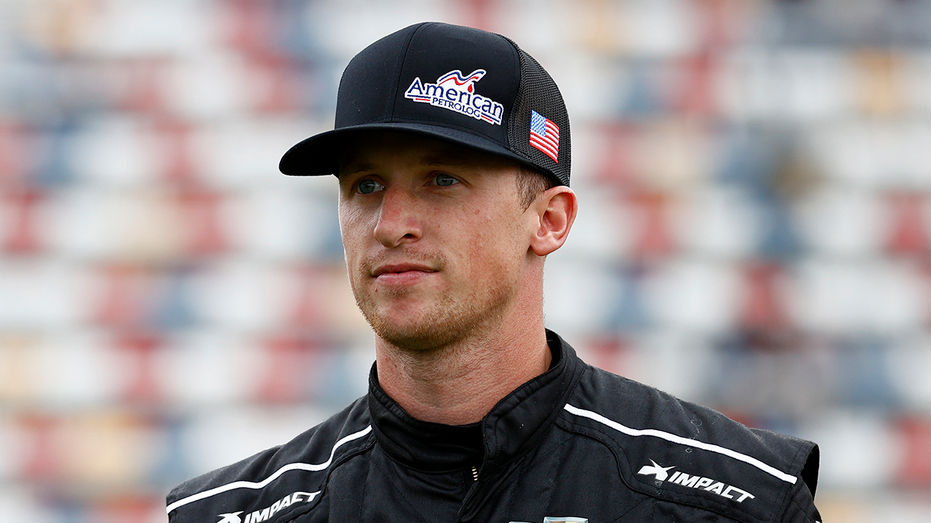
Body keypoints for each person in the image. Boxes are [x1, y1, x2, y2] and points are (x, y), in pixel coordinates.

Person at [166, 22, 821, 523]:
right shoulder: (228, 513)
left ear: (550, 220)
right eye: (365, 185)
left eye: (442, 178)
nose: (390, 222)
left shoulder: (737, 501)